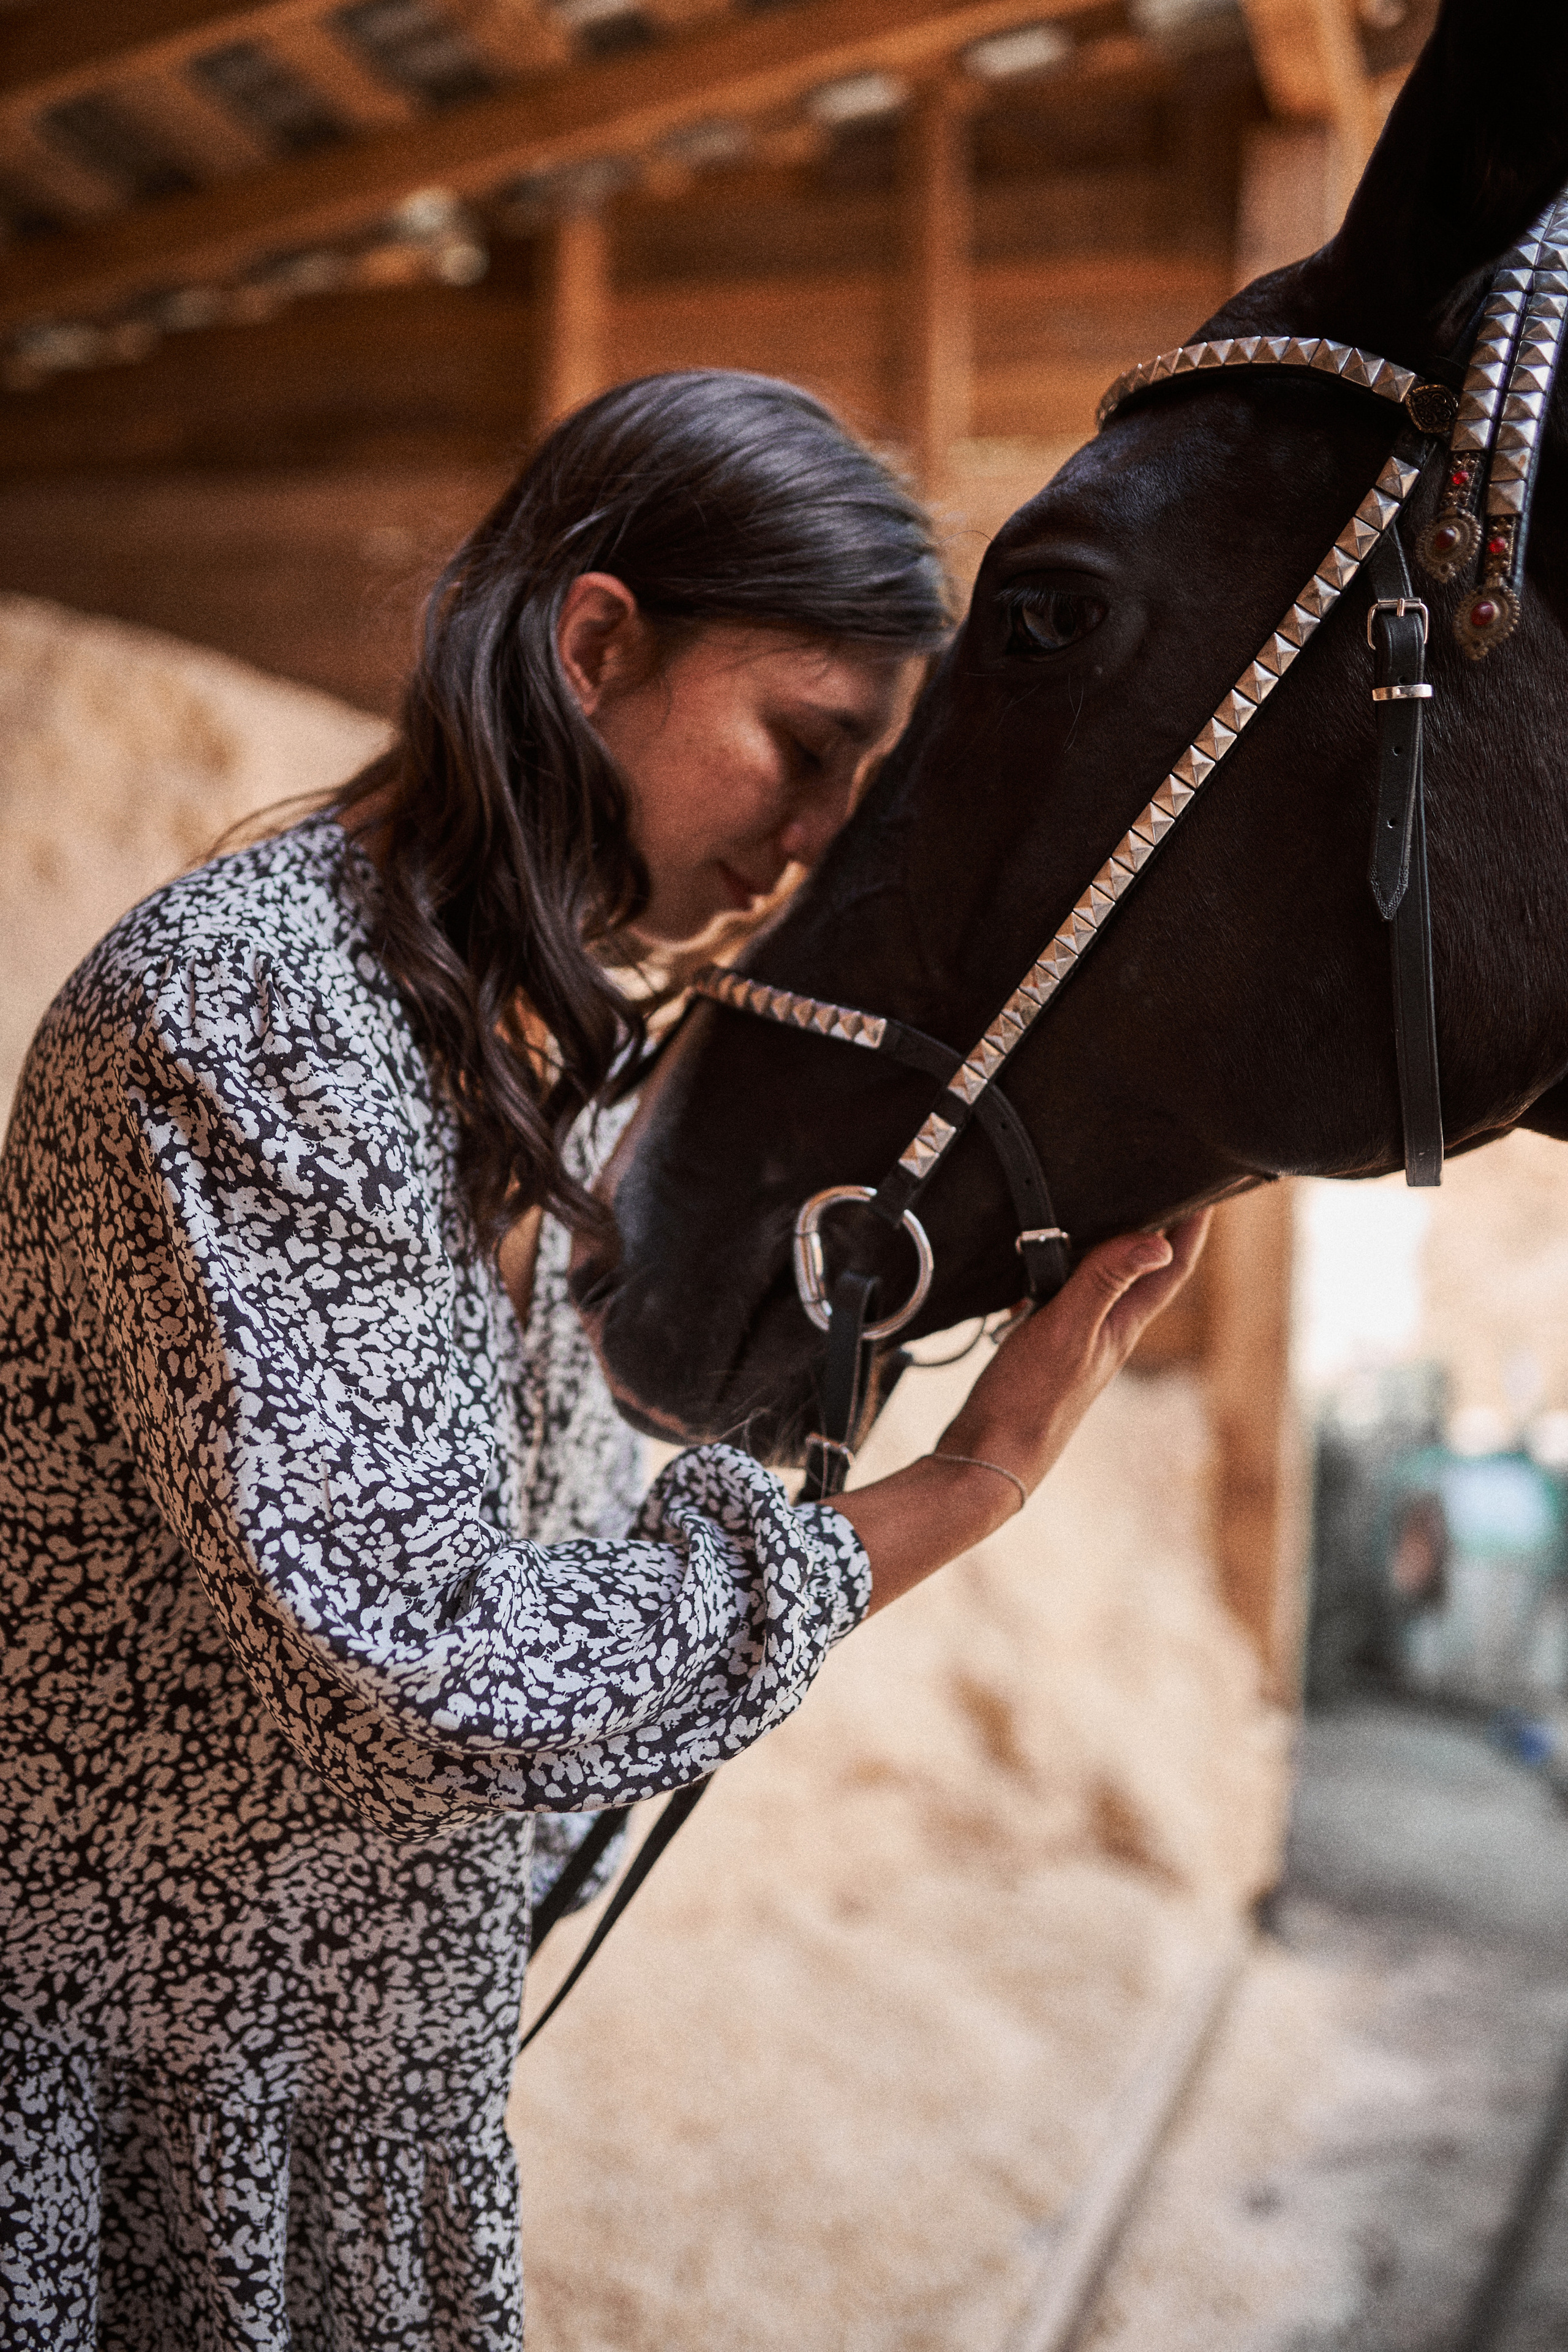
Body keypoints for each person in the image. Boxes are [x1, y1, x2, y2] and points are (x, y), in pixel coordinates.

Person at [0, 370, 1206, 2351]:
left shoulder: (493, 1033)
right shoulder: (254, 1016)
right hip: (146, 2122)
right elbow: (436, 1666)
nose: (814, 841)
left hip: (335, 2103)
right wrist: (961, 1491)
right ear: (594, 649)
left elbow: (543, 1600)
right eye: (801, 750)